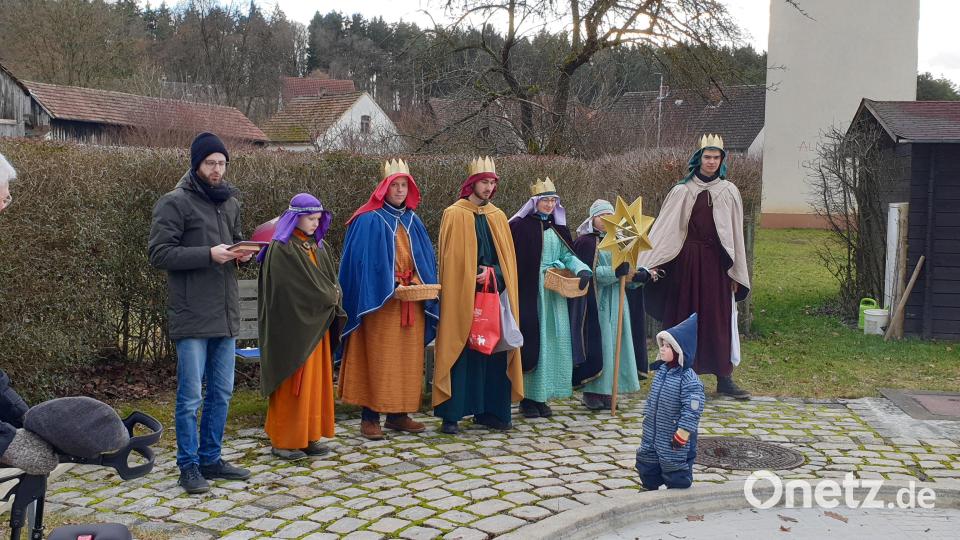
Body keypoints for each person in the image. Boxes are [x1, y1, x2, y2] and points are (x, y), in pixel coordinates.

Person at [148, 132, 252, 494]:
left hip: (225, 314)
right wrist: (209, 254)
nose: (217, 169)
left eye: (222, 163)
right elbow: (159, 254)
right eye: (211, 163)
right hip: (192, 315)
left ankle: (211, 458)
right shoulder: (173, 203)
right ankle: (188, 466)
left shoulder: (231, 202)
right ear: (196, 164)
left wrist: (243, 253)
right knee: (190, 396)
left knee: (221, 393)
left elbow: (233, 242)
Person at [636, 134, 751, 399]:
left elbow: (735, 235)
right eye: (707, 157)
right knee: (682, 318)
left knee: (717, 319)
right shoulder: (682, 190)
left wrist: (735, 271)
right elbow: (666, 231)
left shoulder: (729, 191)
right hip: (686, 265)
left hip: (717, 266)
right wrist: (649, 265)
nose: (711, 162)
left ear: (722, 160)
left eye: (716, 157)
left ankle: (724, 379)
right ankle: (676, 378)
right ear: (699, 159)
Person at [338, 160, 439, 440]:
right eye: (394, 185)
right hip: (379, 304)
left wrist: (419, 281)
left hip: (411, 302)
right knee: (378, 358)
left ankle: (398, 414)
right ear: (384, 187)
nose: (399, 190)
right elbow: (359, 263)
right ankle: (369, 417)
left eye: (403, 185)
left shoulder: (413, 220)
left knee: (407, 360)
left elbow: (424, 260)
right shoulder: (367, 219)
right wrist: (389, 282)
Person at [433, 157, 523, 435]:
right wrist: (470, 275)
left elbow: (507, 262)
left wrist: (492, 272)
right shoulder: (454, 214)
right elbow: (450, 260)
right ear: (472, 183)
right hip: (463, 296)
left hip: (493, 295)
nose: (489, 187)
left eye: (492, 182)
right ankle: (452, 414)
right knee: (461, 349)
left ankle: (493, 412)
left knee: (492, 350)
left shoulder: (497, 216)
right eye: (484, 182)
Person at [257, 193, 344, 460]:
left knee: (315, 384)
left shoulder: (319, 246)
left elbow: (330, 281)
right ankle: (284, 440)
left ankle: (308, 436)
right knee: (293, 382)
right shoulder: (281, 248)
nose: (315, 224)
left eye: (318, 219)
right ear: (295, 217)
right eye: (310, 218)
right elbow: (289, 290)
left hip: (316, 327)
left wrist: (333, 295)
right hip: (292, 331)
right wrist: (328, 296)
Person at [509, 178, 591, 418]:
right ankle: (527, 398)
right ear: (535, 202)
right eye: (545, 199)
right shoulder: (521, 227)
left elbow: (567, 255)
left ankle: (544, 396)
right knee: (536, 341)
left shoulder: (558, 228)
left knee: (556, 342)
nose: (549, 204)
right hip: (533, 292)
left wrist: (582, 269)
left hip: (554, 295)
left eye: (553, 200)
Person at [570, 199, 649, 409]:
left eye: (609, 217)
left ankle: (611, 391)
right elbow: (589, 275)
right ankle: (593, 391)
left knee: (617, 346)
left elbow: (628, 272)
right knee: (600, 345)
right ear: (592, 218)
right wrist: (615, 273)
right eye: (601, 217)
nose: (605, 221)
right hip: (598, 304)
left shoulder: (622, 240)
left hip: (619, 303)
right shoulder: (586, 242)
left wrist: (638, 276)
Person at [636, 313, 704, 490]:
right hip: (653, 429)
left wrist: (682, 433)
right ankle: (649, 485)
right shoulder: (662, 372)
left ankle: (677, 489)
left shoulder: (689, 380)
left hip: (675, 435)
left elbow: (692, 410)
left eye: (668, 346)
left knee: (673, 463)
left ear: (680, 351)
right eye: (663, 345)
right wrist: (647, 415)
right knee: (647, 459)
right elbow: (653, 398)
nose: (662, 349)